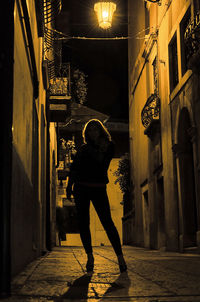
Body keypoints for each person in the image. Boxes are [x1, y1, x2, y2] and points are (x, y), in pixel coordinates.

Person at [66, 119, 127, 273]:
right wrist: (69, 186)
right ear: (86, 133)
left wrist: (91, 150)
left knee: (107, 223)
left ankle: (120, 258)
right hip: (81, 188)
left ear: (101, 131)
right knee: (83, 223)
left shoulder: (108, 146)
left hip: (98, 188)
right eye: (90, 130)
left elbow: (102, 164)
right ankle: (90, 257)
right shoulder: (83, 149)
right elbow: (74, 168)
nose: (93, 132)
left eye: (95, 129)